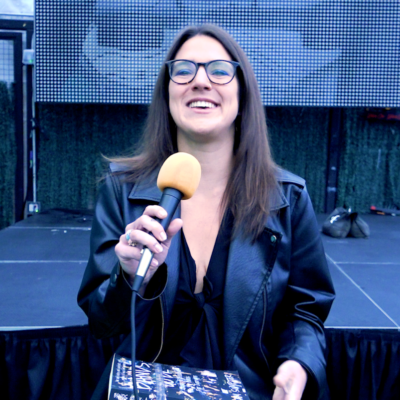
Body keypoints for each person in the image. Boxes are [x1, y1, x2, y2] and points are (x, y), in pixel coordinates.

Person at [78, 24, 335, 400]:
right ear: (166, 92)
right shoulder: (121, 191)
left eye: (218, 70)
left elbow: (305, 311)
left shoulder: (289, 198)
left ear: (242, 93)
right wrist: (129, 276)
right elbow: (101, 322)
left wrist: (298, 364)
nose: (200, 81)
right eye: (183, 70)